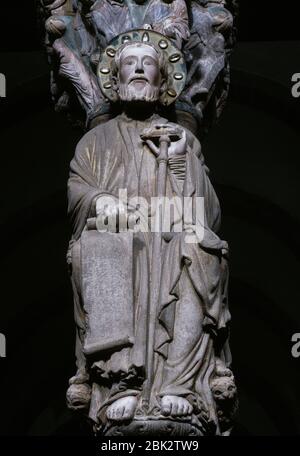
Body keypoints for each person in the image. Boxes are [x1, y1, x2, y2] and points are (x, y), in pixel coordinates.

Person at [66, 31, 236, 435]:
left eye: (148, 64)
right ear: (117, 78)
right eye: (130, 63)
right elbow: (78, 189)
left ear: (162, 83)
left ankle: (177, 380)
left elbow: (208, 212)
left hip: (174, 231)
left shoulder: (183, 138)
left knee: (200, 248)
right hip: (120, 230)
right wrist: (100, 201)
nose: (139, 69)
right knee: (103, 244)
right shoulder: (96, 141)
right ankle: (123, 380)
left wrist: (182, 163)